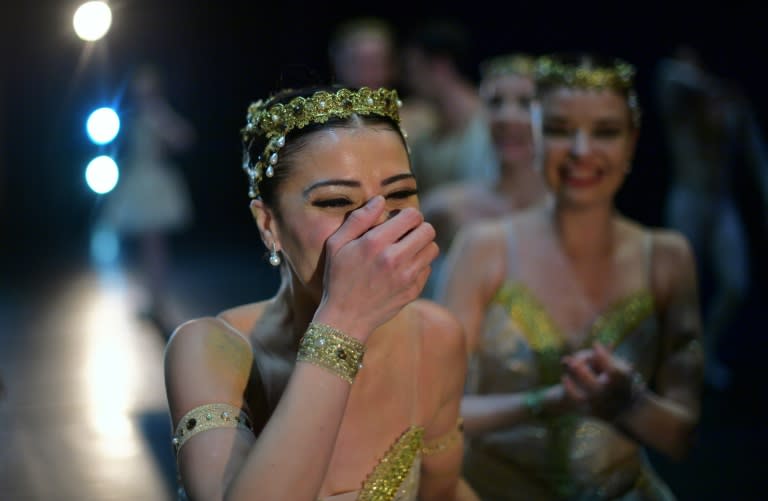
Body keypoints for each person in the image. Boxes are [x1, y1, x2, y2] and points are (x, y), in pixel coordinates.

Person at [164, 85, 478, 500]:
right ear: (268, 224)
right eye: (336, 201)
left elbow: (444, 492)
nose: (377, 226)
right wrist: (344, 321)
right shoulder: (212, 350)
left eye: (400, 194)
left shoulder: (435, 336)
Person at [436, 53, 704, 500]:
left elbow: (680, 436)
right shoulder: (484, 248)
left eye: (605, 132)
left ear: (632, 142)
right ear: (537, 137)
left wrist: (629, 403)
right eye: (561, 130)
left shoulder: (667, 257)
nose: (581, 151)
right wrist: (545, 402)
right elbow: (432, 412)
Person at [654, 45, 768, 389]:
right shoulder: (681, 98)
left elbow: (756, 155)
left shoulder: (733, 102)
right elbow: (668, 74)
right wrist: (706, 84)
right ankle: (670, 361)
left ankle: (707, 351)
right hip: (688, 198)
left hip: (721, 204)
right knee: (682, 287)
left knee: (735, 283)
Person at [420, 53, 549, 298]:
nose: (507, 117)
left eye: (525, 103)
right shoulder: (445, 208)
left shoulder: (568, 217)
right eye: (495, 103)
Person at [101, 63, 196, 335]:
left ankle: (158, 299)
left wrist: (162, 133)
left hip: (153, 179)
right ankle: (152, 298)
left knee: (154, 245)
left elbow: (183, 137)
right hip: (136, 176)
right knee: (146, 246)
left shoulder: (157, 111)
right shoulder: (131, 113)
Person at [400, 18, 497, 198]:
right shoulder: (426, 134)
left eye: (414, 69)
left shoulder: (487, 125)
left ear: (439, 67)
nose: (409, 81)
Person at [327, 16, 437, 143]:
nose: (368, 73)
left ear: (393, 66)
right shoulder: (323, 127)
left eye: (376, 63)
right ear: (338, 64)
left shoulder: (423, 119)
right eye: (357, 63)